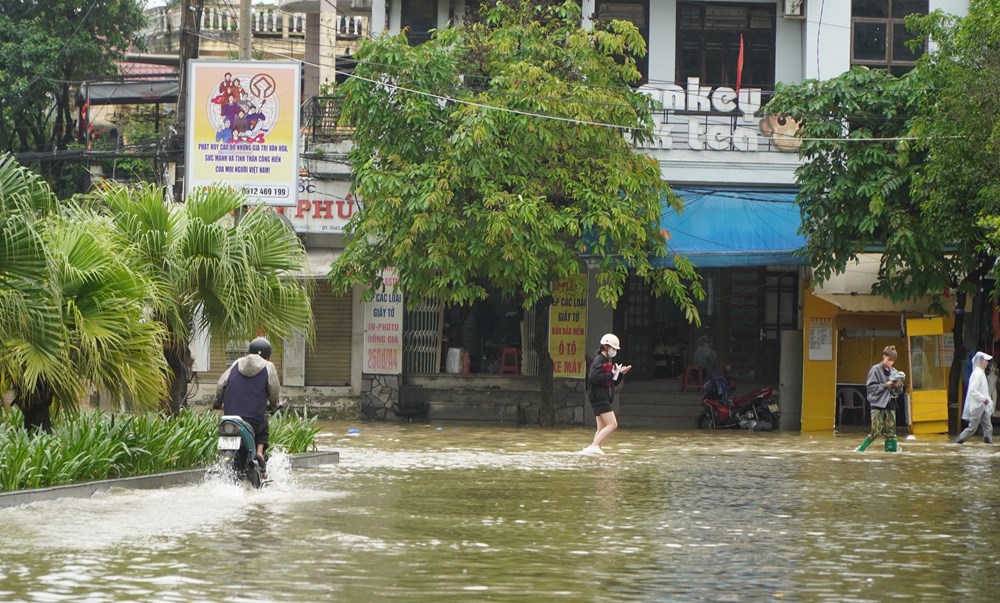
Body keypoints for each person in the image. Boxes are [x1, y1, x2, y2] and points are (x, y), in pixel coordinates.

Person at [214, 337, 282, 463]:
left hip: (230, 418)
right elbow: (274, 392)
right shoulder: (268, 366)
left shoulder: (236, 363)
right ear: (267, 355)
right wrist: (274, 406)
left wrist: (217, 403)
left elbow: (220, 385)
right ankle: (260, 453)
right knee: (264, 425)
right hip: (253, 420)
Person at [581, 333, 631, 455]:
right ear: (605, 347)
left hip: (602, 396)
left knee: (601, 428)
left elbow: (611, 381)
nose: (614, 351)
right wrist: (612, 373)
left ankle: (593, 450)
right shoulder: (599, 360)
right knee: (613, 424)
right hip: (599, 397)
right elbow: (593, 376)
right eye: (613, 348)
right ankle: (594, 446)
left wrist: (620, 373)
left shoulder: (606, 361)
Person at [856, 345, 904, 453]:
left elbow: (898, 391)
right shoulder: (875, 370)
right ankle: (861, 450)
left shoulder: (894, 371)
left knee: (891, 431)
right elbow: (870, 387)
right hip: (877, 403)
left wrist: (897, 386)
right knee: (876, 430)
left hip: (890, 404)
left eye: (893, 361)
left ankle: (890, 453)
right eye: (889, 360)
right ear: (884, 357)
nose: (890, 363)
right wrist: (885, 385)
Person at [953, 351, 994, 445]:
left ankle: (988, 445)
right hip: (977, 406)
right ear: (979, 362)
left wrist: (985, 400)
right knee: (972, 428)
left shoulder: (980, 372)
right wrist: (984, 398)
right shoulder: (977, 374)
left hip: (982, 405)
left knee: (988, 427)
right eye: (985, 361)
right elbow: (972, 391)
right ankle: (957, 442)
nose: (987, 363)